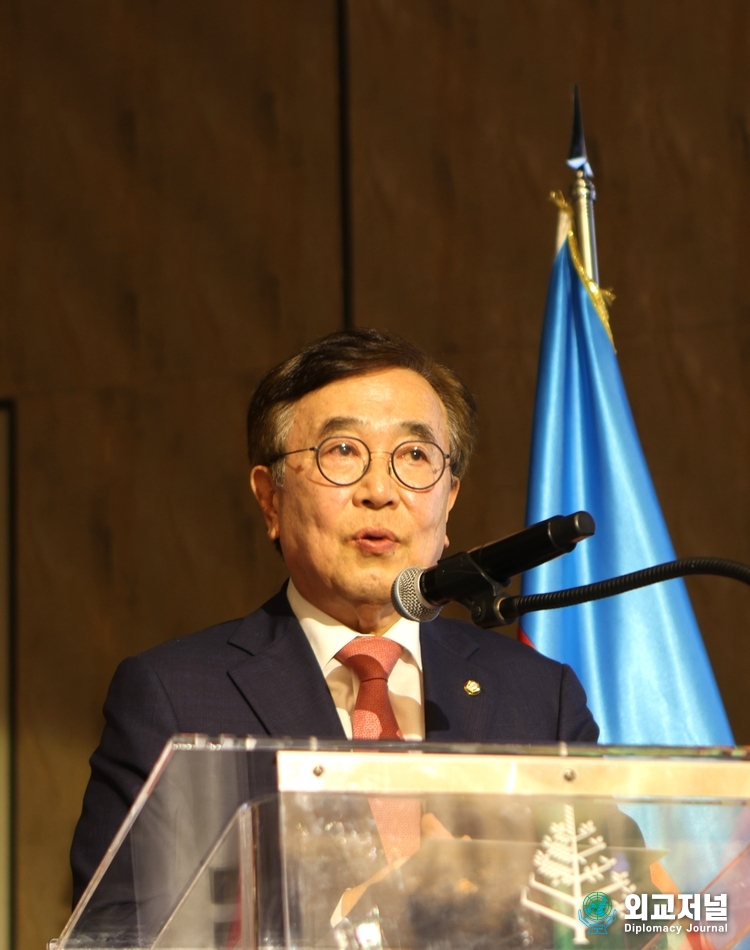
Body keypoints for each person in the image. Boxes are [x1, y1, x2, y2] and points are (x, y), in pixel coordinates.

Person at [70, 328, 598, 908]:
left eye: (415, 456)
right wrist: (344, 927)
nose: (380, 491)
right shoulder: (174, 698)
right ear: (270, 498)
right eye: (343, 451)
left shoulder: (541, 699)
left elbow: (617, 905)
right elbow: (116, 933)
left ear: (448, 502)